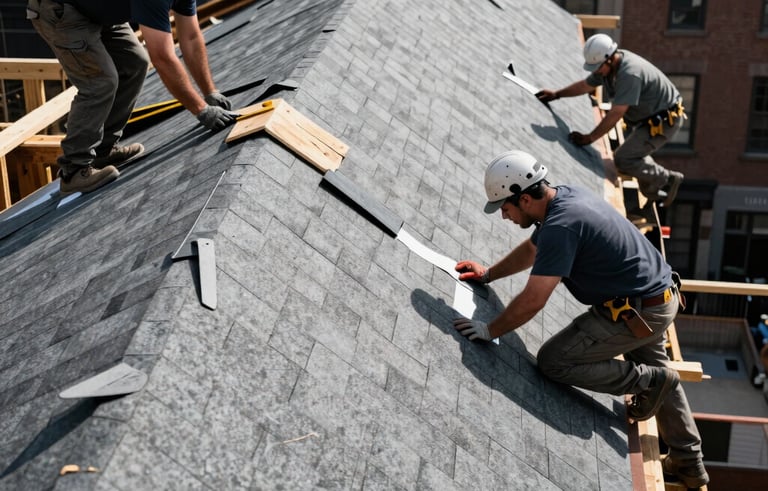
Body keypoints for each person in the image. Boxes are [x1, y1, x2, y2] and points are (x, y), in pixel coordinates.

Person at [453, 150, 708, 489]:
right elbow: (532, 250)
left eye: (505, 207)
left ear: (525, 199)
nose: (503, 215)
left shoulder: (562, 226)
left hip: (637, 312)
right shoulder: (564, 197)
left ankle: (647, 382)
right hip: (657, 299)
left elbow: (534, 300)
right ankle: (690, 463)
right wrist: (488, 275)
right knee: (659, 372)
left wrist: (490, 330)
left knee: (554, 361)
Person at [26, 0, 238, 195]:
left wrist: (210, 92)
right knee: (100, 82)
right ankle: (73, 170)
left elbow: (190, 37)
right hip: (62, 10)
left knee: (135, 63)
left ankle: (102, 151)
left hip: (97, 9)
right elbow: (163, 57)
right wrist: (202, 110)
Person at [536, 34, 684, 208]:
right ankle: (653, 189)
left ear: (610, 59)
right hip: (647, 117)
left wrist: (590, 138)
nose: (596, 71)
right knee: (632, 155)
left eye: (598, 67)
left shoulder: (629, 74)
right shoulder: (609, 67)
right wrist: (557, 94)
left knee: (623, 159)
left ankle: (667, 179)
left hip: (664, 122)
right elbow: (586, 85)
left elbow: (616, 113)